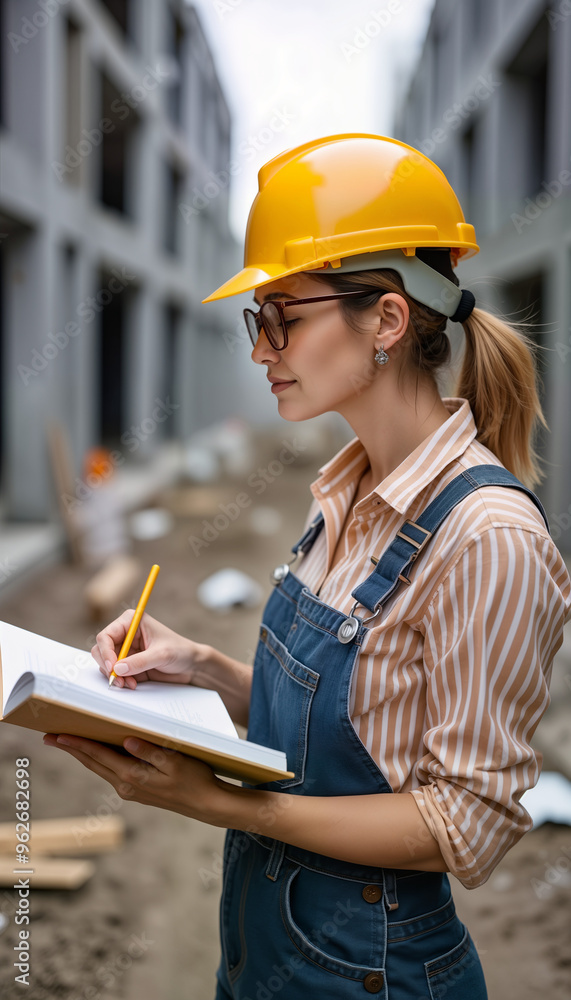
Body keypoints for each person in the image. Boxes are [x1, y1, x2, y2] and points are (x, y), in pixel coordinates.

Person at [44, 134, 571, 999]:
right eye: (259, 321)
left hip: (375, 975)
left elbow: (463, 822)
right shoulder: (346, 490)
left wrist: (221, 803)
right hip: (266, 959)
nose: (262, 349)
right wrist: (208, 673)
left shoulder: (487, 539)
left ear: (388, 322)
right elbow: (367, 728)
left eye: (283, 315)